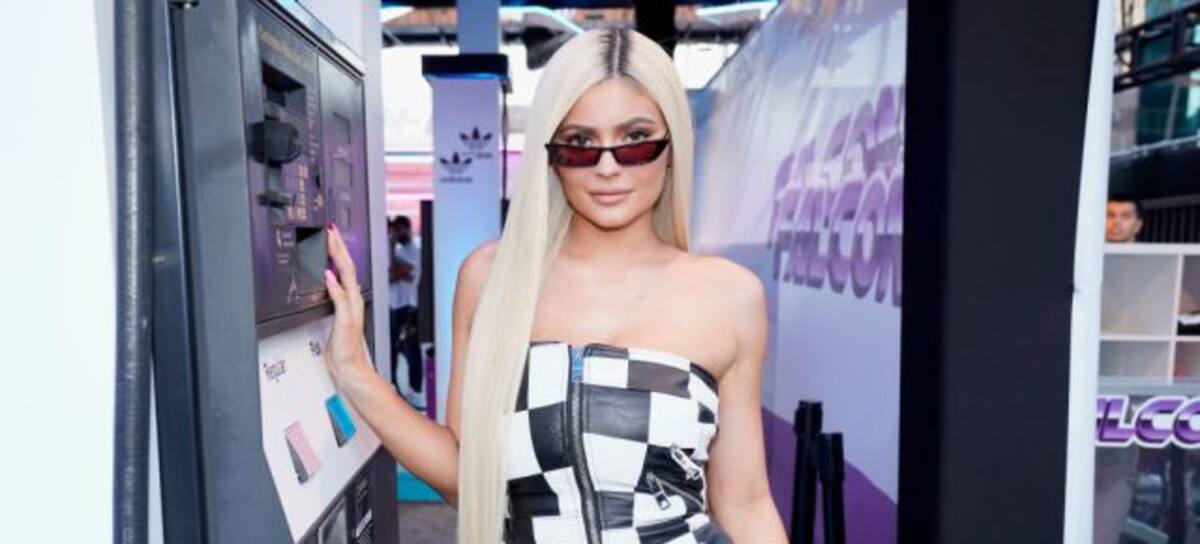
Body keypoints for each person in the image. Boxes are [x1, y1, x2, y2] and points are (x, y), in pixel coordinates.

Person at [322, 28, 787, 543]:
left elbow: (745, 501)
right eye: (580, 143)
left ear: (672, 146)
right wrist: (355, 371)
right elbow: (466, 478)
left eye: (635, 140)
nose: (607, 167)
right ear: (551, 154)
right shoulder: (490, 279)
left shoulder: (729, 297)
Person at [388, 215, 422, 400]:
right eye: (393, 230)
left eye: (398, 230)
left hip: (408, 306)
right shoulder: (400, 252)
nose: (396, 234)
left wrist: (392, 245)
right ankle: (396, 385)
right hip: (396, 305)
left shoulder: (413, 251)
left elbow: (393, 273)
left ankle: (415, 389)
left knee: (411, 349)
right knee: (396, 348)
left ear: (408, 229)